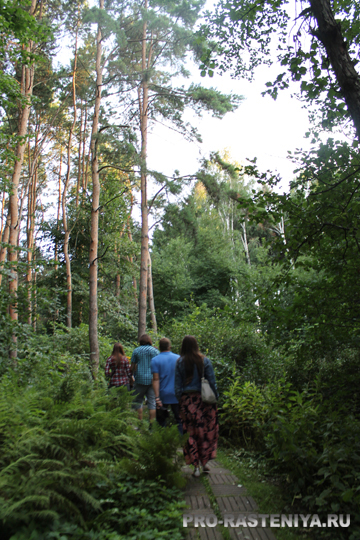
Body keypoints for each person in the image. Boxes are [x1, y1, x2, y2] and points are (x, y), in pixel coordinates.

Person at [175, 335, 219, 477]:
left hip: (188, 402)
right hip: (204, 402)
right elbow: (212, 382)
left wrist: (180, 401)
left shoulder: (180, 362)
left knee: (190, 432)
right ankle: (205, 462)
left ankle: (196, 467)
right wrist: (215, 398)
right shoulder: (204, 361)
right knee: (205, 431)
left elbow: (177, 386)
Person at [151, 337, 183, 435]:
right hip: (177, 394)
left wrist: (157, 397)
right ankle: (182, 441)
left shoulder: (155, 360)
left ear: (160, 347)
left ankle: (162, 441)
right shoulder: (178, 358)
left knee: (161, 419)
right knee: (180, 419)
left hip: (163, 394)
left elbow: (156, 379)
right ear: (170, 346)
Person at [131, 334, 159, 422]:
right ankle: (151, 426)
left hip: (139, 379)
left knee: (138, 402)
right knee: (152, 403)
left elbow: (132, 367)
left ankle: (140, 424)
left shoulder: (136, 351)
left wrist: (131, 377)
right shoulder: (155, 351)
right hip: (152, 379)